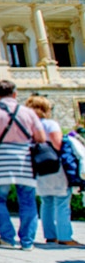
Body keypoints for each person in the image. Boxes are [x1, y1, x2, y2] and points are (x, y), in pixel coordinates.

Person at [0, 80, 45, 250]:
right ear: (15, 94)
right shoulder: (27, 112)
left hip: (1, 161)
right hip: (24, 161)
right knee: (28, 200)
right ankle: (27, 241)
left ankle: (7, 237)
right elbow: (41, 137)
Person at [27, 96, 78, 246]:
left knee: (46, 201)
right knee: (62, 202)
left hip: (38, 167)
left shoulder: (28, 126)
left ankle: (50, 235)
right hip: (54, 166)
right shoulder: (50, 124)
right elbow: (57, 144)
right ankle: (65, 237)